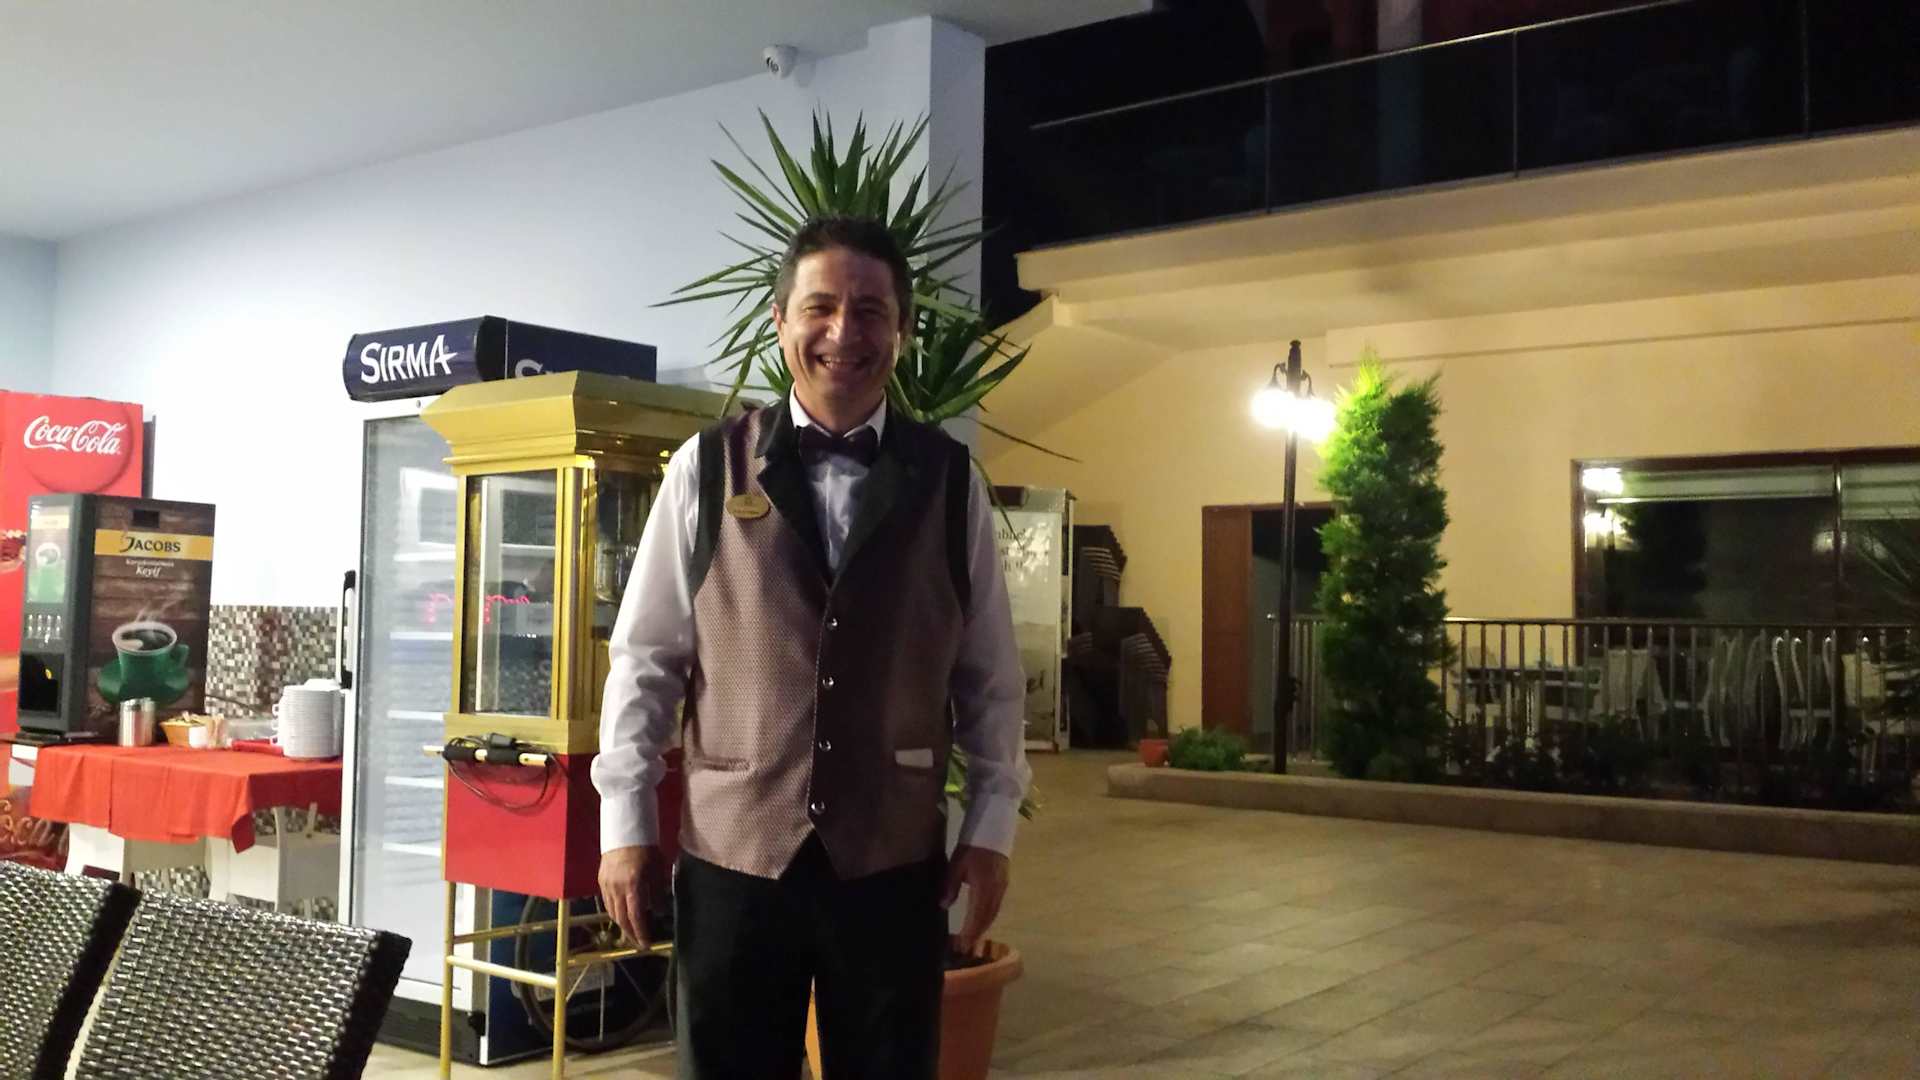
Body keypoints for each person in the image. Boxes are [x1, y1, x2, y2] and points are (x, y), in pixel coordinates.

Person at [593, 215, 1032, 1079]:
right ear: (779, 320)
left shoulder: (948, 483)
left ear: (903, 330)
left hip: (891, 864)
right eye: (820, 307)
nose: (843, 332)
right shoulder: (705, 468)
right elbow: (646, 661)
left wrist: (990, 829)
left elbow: (989, 679)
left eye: (870, 311)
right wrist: (625, 824)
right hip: (734, 858)